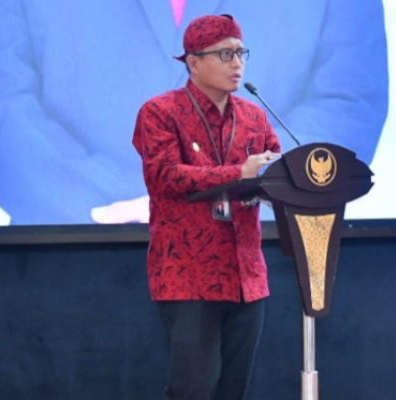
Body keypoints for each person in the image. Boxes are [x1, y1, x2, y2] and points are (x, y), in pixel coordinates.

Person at [0, 0, 388, 225]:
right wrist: (96, 207)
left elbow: (347, 101)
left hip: (265, 265)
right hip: (65, 265)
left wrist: (234, 199)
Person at [132, 15, 280, 399]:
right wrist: (238, 173)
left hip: (246, 273)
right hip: (189, 273)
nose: (237, 63)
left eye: (241, 53)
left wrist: (280, 180)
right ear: (193, 62)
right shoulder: (160, 112)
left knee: (235, 390)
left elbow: (274, 166)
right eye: (225, 54)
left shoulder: (253, 115)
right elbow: (164, 175)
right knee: (193, 388)